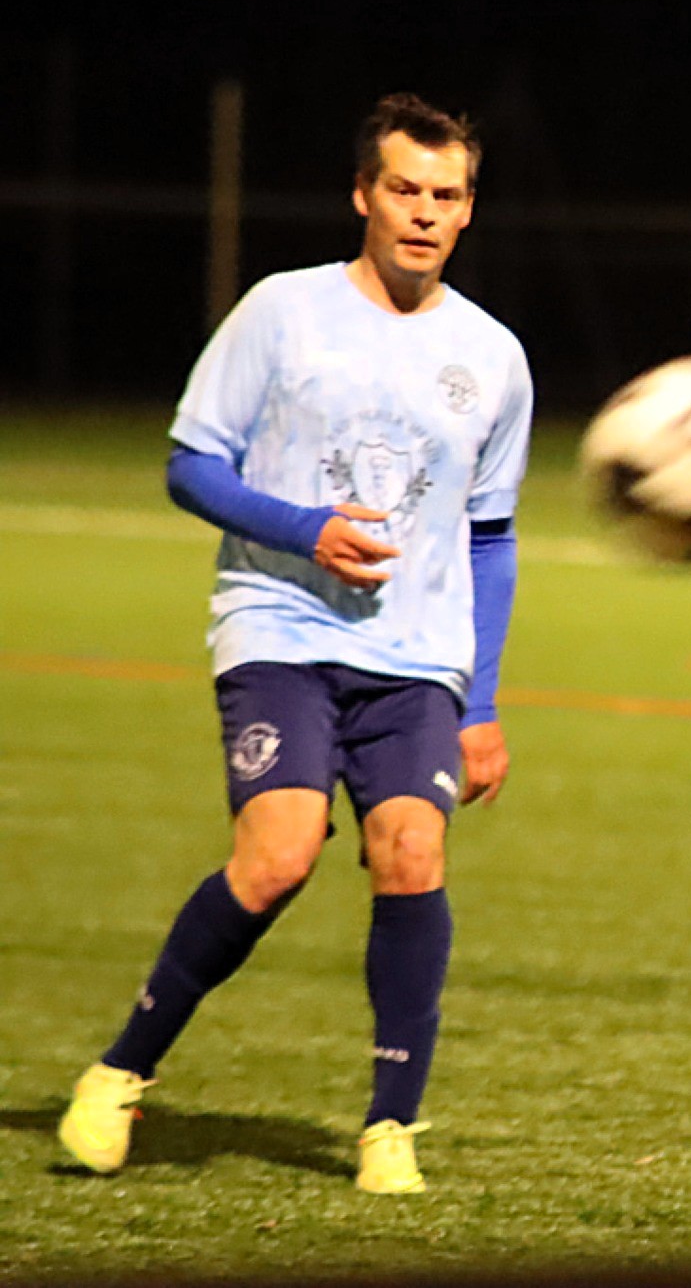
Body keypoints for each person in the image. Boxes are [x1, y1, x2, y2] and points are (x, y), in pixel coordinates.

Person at [57, 94, 531, 1195]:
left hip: (417, 656)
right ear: (363, 194)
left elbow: (492, 537)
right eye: (404, 189)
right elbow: (192, 466)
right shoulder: (282, 312)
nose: (424, 212)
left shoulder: (493, 356)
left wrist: (481, 702)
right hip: (279, 625)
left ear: (469, 209)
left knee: (412, 851)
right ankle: (121, 1069)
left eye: (446, 194)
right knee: (277, 856)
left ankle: (389, 1126)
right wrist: (305, 529)